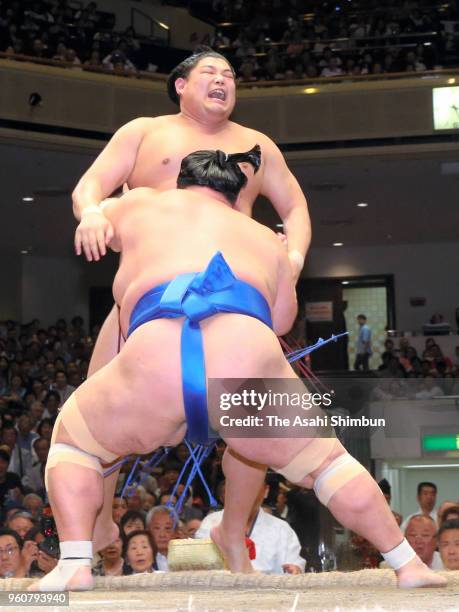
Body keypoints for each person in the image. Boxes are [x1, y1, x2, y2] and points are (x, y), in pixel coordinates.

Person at [29, 150, 445, 592]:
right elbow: (282, 321)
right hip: (245, 357)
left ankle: (75, 562)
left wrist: (94, 212)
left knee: (75, 444)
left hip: (157, 357)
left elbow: (94, 214)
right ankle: (407, 564)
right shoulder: (265, 239)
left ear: (182, 183)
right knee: (327, 464)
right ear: (237, 195)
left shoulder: (141, 203)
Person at [71, 48, 311, 550]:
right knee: (97, 408)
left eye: (229, 75)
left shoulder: (257, 143)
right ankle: (98, 525)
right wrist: (93, 213)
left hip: (238, 299)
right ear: (180, 85)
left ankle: (232, 527)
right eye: (210, 73)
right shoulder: (143, 130)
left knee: (254, 419)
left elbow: (294, 204)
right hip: (148, 298)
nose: (222, 80)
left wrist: (293, 258)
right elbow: (91, 185)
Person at [196, 478, 305, 574]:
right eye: (240, 484)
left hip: (268, 593)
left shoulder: (281, 529)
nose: (246, 491)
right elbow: (199, 565)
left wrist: (296, 570)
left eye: (253, 485)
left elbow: (294, 564)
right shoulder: (211, 523)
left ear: (265, 491)